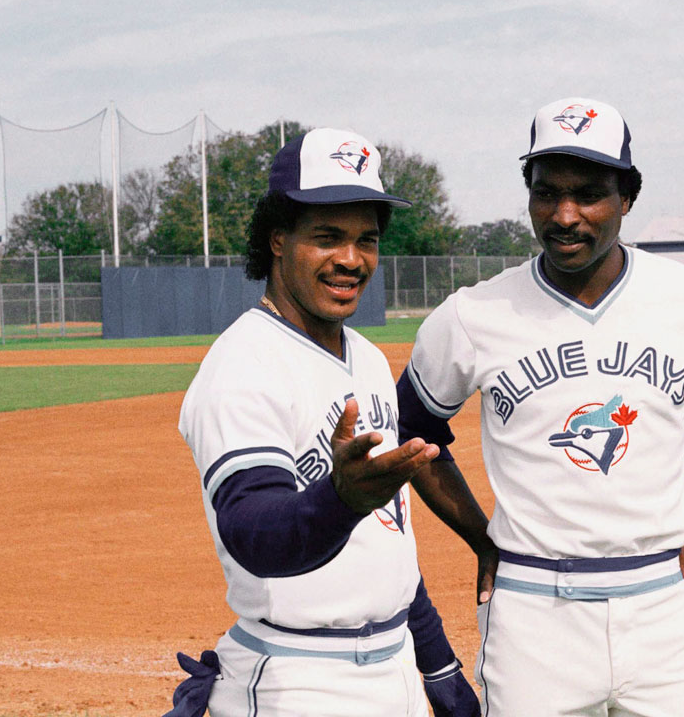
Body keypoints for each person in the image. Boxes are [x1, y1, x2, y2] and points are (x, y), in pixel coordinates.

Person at [393, 97, 684, 716]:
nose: (565, 215)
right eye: (546, 192)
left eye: (589, 193)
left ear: (627, 197)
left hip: (660, 602)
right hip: (533, 609)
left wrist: (683, 489)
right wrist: (483, 538)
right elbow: (413, 434)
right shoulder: (473, 316)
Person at [166, 127, 480, 717]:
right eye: (328, 237)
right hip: (297, 678)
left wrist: (435, 661)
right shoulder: (244, 365)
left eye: (366, 239)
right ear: (278, 239)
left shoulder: (366, 356)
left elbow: (392, 541)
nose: (351, 259)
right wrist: (339, 498)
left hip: (393, 663)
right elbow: (252, 530)